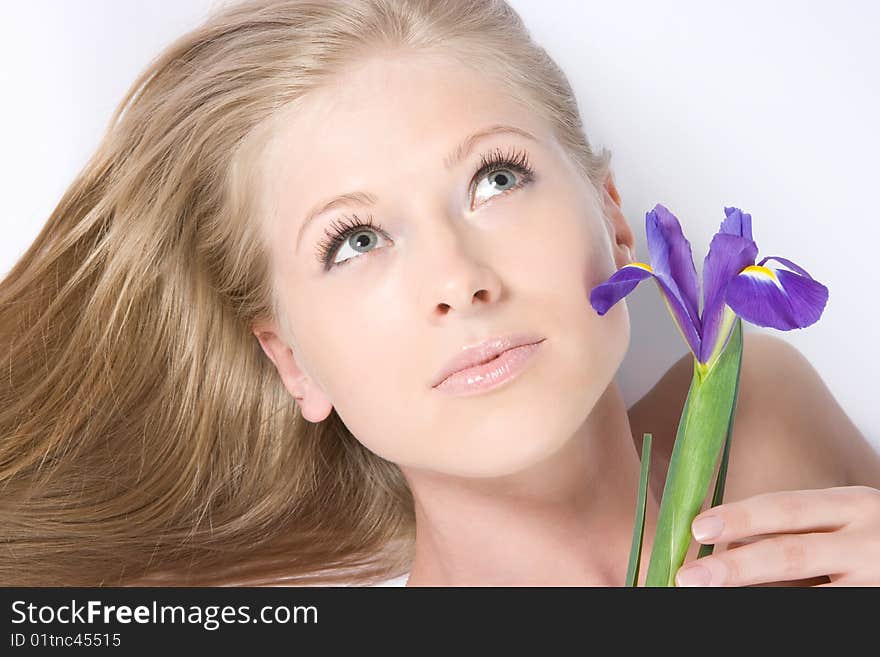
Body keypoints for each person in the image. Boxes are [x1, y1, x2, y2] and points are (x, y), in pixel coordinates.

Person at [2, 0, 878, 588]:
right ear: (293, 362)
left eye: (496, 179)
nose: (460, 279)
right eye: (356, 241)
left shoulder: (765, 408)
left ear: (612, 219)